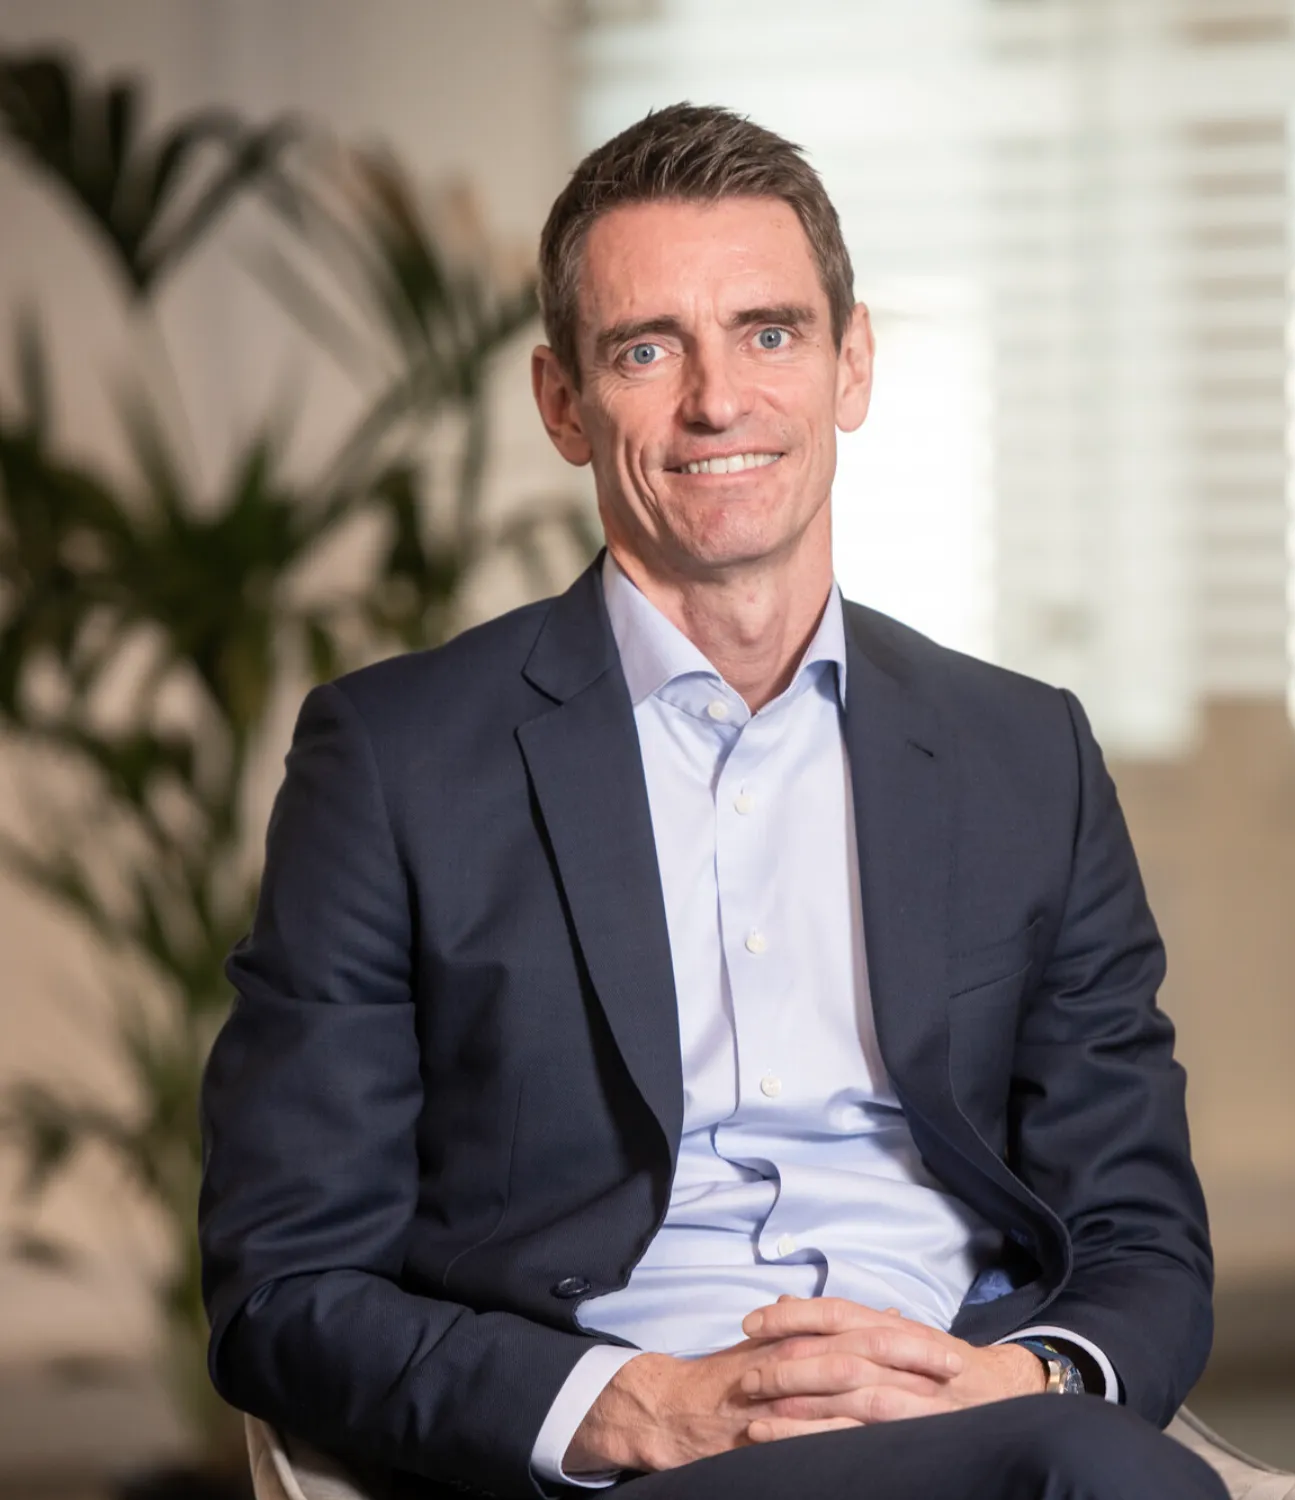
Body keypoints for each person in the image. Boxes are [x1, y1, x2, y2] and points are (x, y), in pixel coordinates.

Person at [199, 104, 1223, 1500]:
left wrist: (1018, 1378)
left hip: (968, 1400)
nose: (717, 400)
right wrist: (635, 1409)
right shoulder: (395, 760)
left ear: (852, 364)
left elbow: (1140, 1232)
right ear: (564, 402)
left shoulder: (1023, 753)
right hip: (653, 1445)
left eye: (770, 332)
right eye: (646, 349)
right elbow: (286, 1284)